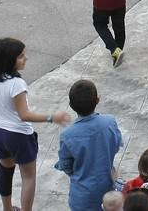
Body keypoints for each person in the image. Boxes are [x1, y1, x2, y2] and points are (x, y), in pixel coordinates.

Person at [0, 37, 72, 211]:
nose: (26, 58)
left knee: (6, 170)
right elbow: (24, 115)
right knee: (28, 177)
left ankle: (7, 208)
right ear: (10, 60)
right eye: (21, 56)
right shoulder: (16, 84)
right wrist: (52, 117)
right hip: (18, 136)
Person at [55, 80, 124, 211]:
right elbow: (116, 145)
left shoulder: (67, 134)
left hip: (81, 197)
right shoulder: (110, 122)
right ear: (98, 100)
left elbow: (66, 165)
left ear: (71, 105)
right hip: (107, 192)